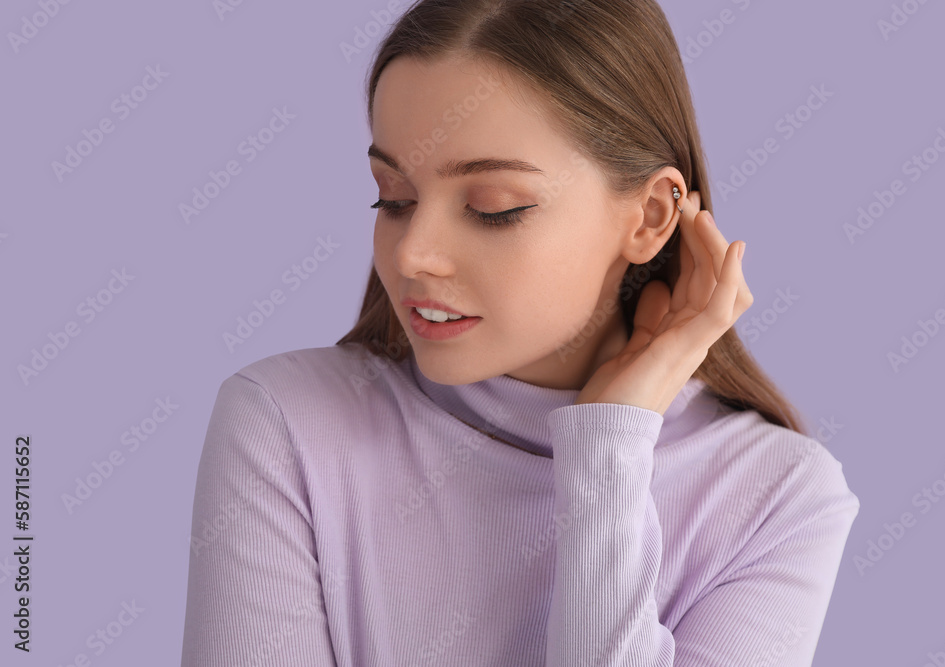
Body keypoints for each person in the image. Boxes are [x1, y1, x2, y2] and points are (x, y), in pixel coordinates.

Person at [180, 1, 860, 665]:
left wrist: (609, 439)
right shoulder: (287, 423)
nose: (414, 252)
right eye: (393, 197)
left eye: (491, 208)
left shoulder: (778, 497)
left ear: (651, 216)